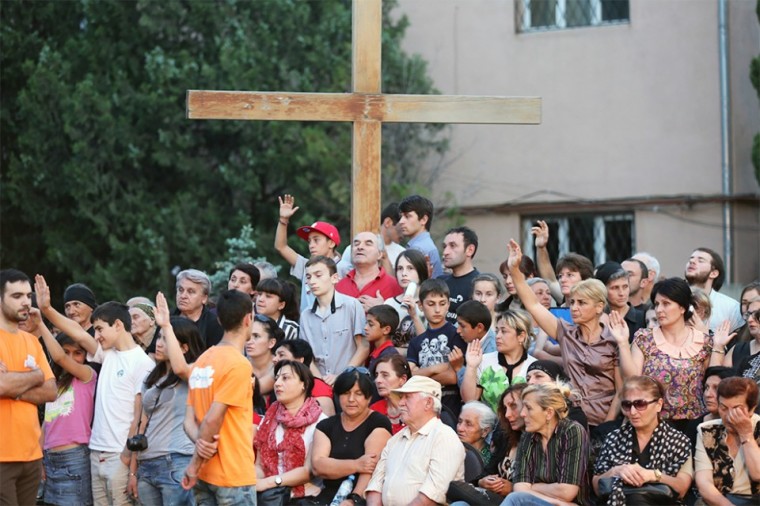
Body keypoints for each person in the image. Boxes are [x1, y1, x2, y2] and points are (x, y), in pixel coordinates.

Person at [37, 275, 155, 506]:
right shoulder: (106, 353)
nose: (96, 335)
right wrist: (47, 309)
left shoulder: (143, 364)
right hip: (94, 453)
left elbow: (139, 418)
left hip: (118, 457)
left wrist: (128, 459)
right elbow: (79, 333)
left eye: (100, 329)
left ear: (119, 325)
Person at [506, 239, 622, 431]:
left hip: (604, 423)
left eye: (582, 303)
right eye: (573, 302)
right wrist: (515, 269)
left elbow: (621, 390)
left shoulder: (613, 338)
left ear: (599, 307)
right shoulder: (565, 332)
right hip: (570, 422)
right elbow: (533, 305)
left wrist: (607, 425)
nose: (574, 308)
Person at [616, 277, 724, 432]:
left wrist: (718, 346)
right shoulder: (644, 338)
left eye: (666, 304)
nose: (659, 310)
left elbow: (714, 382)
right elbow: (632, 379)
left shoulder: (704, 342)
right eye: (657, 304)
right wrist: (622, 342)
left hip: (695, 425)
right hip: (653, 424)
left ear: (682, 308)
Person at [182, 289, 256, 504]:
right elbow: (213, 418)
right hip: (232, 475)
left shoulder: (203, 359)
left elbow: (188, 420)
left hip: (206, 475)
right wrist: (194, 464)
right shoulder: (239, 364)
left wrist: (199, 445)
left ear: (219, 319)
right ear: (248, 319)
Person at [132, 302, 204, 506]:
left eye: (166, 339)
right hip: (147, 462)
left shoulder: (193, 373)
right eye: (160, 338)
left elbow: (180, 369)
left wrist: (166, 326)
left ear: (184, 347)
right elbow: (143, 423)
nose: (159, 343)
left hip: (177, 459)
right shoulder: (151, 377)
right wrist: (133, 470)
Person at [0, 270, 57, 506]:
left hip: (32, 456)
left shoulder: (32, 341)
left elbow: (51, 391)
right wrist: (35, 376)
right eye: (16, 295)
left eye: (28, 295)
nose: (26, 301)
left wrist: (15, 387)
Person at [593, 376, 693, 505]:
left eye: (640, 404)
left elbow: (682, 488)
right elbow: (596, 486)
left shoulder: (679, 441)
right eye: (627, 405)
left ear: (658, 405)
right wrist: (616, 471)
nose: (633, 412)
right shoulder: (614, 438)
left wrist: (653, 475)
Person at [365, 376, 465, 506]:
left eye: (408, 397)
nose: (400, 403)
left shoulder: (445, 438)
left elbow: (430, 498)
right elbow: (375, 486)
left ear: (428, 403)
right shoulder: (395, 439)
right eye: (401, 397)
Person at [33, 308, 97, 506]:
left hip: (74, 457)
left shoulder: (87, 375)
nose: (70, 357)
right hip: (49, 457)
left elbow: (59, 358)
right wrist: (39, 455)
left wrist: (40, 324)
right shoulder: (56, 382)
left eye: (77, 353)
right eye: (67, 351)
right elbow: (47, 422)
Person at [311, 368, 392, 504]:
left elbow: (370, 469)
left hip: (362, 497)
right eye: (346, 393)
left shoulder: (378, 422)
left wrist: (354, 499)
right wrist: (356, 464)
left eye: (358, 394)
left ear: (369, 398)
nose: (351, 399)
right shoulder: (325, 426)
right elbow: (318, 466)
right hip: (327, 495)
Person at [503, 382, 590, 506]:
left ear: (549, 413)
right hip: (554, 503)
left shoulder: (572, 431)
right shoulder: (528, 436)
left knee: (516, 499)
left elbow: (567, 491)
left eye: (528, 408)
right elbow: (519, 488)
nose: (522, 413)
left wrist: (532, 487)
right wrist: (555, 501)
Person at [254, 360, 326, 503]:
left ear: (304, 384)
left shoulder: (321, 422)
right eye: (277, 378)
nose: (277, 383)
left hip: (305, 498)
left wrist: (270, 482)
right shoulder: (269, 418)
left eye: (285, 378)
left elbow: (308, 471)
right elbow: (259, 466)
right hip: (270, 496)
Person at [448, 384, 528, 506]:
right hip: (492, 498)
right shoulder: (505, 438)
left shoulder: (540, 443)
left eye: (513, 406)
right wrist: (482, 482)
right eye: (505, 408)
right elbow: (488, 471)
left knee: (452, 488)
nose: (507, 414)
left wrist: (512, 488)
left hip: (517, 501)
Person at [299, 256, 367, 384]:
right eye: (308, 277)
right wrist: (320, 382)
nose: (312, 281)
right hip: (319, 382)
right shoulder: (305, 315)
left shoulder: (352, 305)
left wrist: (341, 376)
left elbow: (363, 347)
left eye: (318, 275)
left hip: (350, 381)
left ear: (334, 278)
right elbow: (307, 356)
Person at [406, 278, 467, 417]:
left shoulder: (456, 335)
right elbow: (410, 376)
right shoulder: (416, 342)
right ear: (420, 306)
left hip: (451, 406)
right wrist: (436, 368)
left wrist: (422, 373)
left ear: (448, 305)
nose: (437, 309)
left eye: (442, 303)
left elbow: (453, 376)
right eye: (431, 304)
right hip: (422, 407)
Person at [695, 377, 760, 504]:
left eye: (737, 409)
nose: (729, 416)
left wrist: (746, 434)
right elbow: (704, 484)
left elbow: (758, 474)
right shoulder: (707, 431)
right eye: (723, 408)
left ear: (752, 409)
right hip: (721, 501)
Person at [275, 193, 343, 313]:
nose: (311, 245)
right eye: (309, 241)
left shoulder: (345, 268)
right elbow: (281, 247)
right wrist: (283, 220)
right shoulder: (306, 265)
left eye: (316, 240)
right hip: (308, 329)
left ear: (331, 243)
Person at [460, 308, 536, 411]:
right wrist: (471, 366)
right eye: (497, 331)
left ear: (521, 336)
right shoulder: (484, 361)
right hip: (490, 425)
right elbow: (469, 400)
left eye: (504, 331)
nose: (498, 336)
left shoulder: (534, 366)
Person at [336, 231, 403, 311]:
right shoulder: (339, 285)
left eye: (368, 244)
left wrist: (383, 308)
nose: (360, 247)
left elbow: (403, 319)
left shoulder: (394, 285)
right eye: (356, 244)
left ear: (379, 254)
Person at [532, 220, 594, 305]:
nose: (563, 280)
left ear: (584, 279)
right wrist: (541, 248)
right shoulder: (564, 299)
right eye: (560, 276)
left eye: (570, 275)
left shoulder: (595, 306)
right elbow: (549, 279)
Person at [684, 247, 743, 332]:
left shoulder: (731, 308)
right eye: (691, 259)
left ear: (714, 273)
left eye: (700, 260)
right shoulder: (674, 299)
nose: (692, 261)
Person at [272, 339, 335, 416]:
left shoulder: (317, 386)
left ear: (300, 360)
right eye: (275, 355)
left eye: (281, 355)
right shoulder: (277, 386)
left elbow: (327, 424)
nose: (274, 359)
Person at [383, 249, 428, 353]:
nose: (403, 273)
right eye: (400, 268)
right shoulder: (389, 304)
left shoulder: (431, 303)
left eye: (410, 268)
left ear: (421, 270)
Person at [525, 360, 589, 430]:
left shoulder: (574, 416)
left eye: (538, 376)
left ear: (555, 382)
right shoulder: (526, 413)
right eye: (528, 379)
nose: (530, 382)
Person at [594, 261, 645, 342]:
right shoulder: (596, 319)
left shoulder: (643, 318)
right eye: (615, 288)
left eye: (625, 287)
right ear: (603, 290)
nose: (621, 293)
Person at [685, 366, 735, 447]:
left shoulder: (744, 423)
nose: (708, 394)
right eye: (706, 387)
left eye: (716, 388)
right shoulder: (695, 425)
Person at [174, 269, 224, 348]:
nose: (183, 296)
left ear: (204, 298)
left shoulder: (214, 324)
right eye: (180, 290)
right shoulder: (168, 317)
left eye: (190, 292)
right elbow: (153, 352)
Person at [440, 226, 480, 324]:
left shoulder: (479, 284)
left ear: (470, 250)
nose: (445, 252)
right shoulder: (440, 282)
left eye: (452, 246)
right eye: (444, 246)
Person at [397, 194, 443, 278]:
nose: (401, 221)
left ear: (423, 220)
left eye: (407, 216)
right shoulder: (424, 244)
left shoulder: (418, 249)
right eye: (401, 216)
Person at [370, 354, 411, 434]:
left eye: (385, 375)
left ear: (402, 379)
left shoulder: (418, 408)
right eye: (376, 375)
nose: (377, 380)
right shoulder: (374, 410)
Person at [726, 298, 760, 379]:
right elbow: (718, 382)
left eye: (757, 314)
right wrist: (718, 346)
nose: (749, 320)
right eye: (748, 314)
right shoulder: (737, 349)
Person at [456, 401, 497, 466]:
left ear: (485, 431)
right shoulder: (451, 449)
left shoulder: (489, 463)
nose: (460, 428)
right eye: (459, 422)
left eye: (469, 424)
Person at [365, 304, 400, 372]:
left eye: (371, 325)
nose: (365, 328)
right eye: (366, 323)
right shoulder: (378, 351)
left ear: (386, 330)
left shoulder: (388, 356)